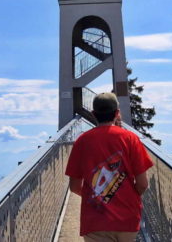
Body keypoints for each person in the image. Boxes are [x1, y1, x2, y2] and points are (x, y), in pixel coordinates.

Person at [65, 92, 154, 242]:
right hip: (127, 218)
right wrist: (126, 197)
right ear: (117, 113)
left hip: (95, 220)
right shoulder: (130, 139)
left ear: (93, 114)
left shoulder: (82, 141)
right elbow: (143, 184)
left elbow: (74, 187)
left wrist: (97, 196)